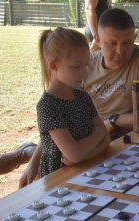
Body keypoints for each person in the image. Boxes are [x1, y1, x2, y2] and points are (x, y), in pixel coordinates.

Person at [0, 8, 139, 184]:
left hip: (108, 141)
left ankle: (29, 152)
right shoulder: (83, 65)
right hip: (84, 141)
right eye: (111, 43)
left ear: (135, 38)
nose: (120, 51)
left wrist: (114, 121)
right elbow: (58, 123)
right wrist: (34, 164)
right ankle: (30, 153)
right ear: (98, 39)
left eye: (127, 43)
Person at [35, 27, 110, 178]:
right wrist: (98, 134)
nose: (83, 72)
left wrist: (86, 155)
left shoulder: (82, 96)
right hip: (58, 182)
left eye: (86, 65)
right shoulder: (48, 105)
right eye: (76, 67)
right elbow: (74, 154)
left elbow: (106, 140)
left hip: (86, 172)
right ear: (54, 65)